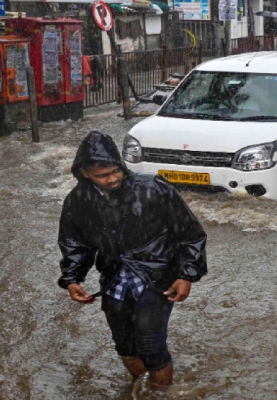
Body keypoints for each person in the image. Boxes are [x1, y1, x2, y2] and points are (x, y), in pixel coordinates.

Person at [57, 131, 208, 392]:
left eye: (115, 171)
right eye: (102, 175)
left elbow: (190, 235)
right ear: (84, 173)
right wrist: (72, 278)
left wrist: (186, 275)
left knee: (151, 346)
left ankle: (161, 394)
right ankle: (142, 390)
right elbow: (75, 243)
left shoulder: (154, 188)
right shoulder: (79, 200)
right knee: (125, 345)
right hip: (114, 279)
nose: (112, 178)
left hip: (156, 277)